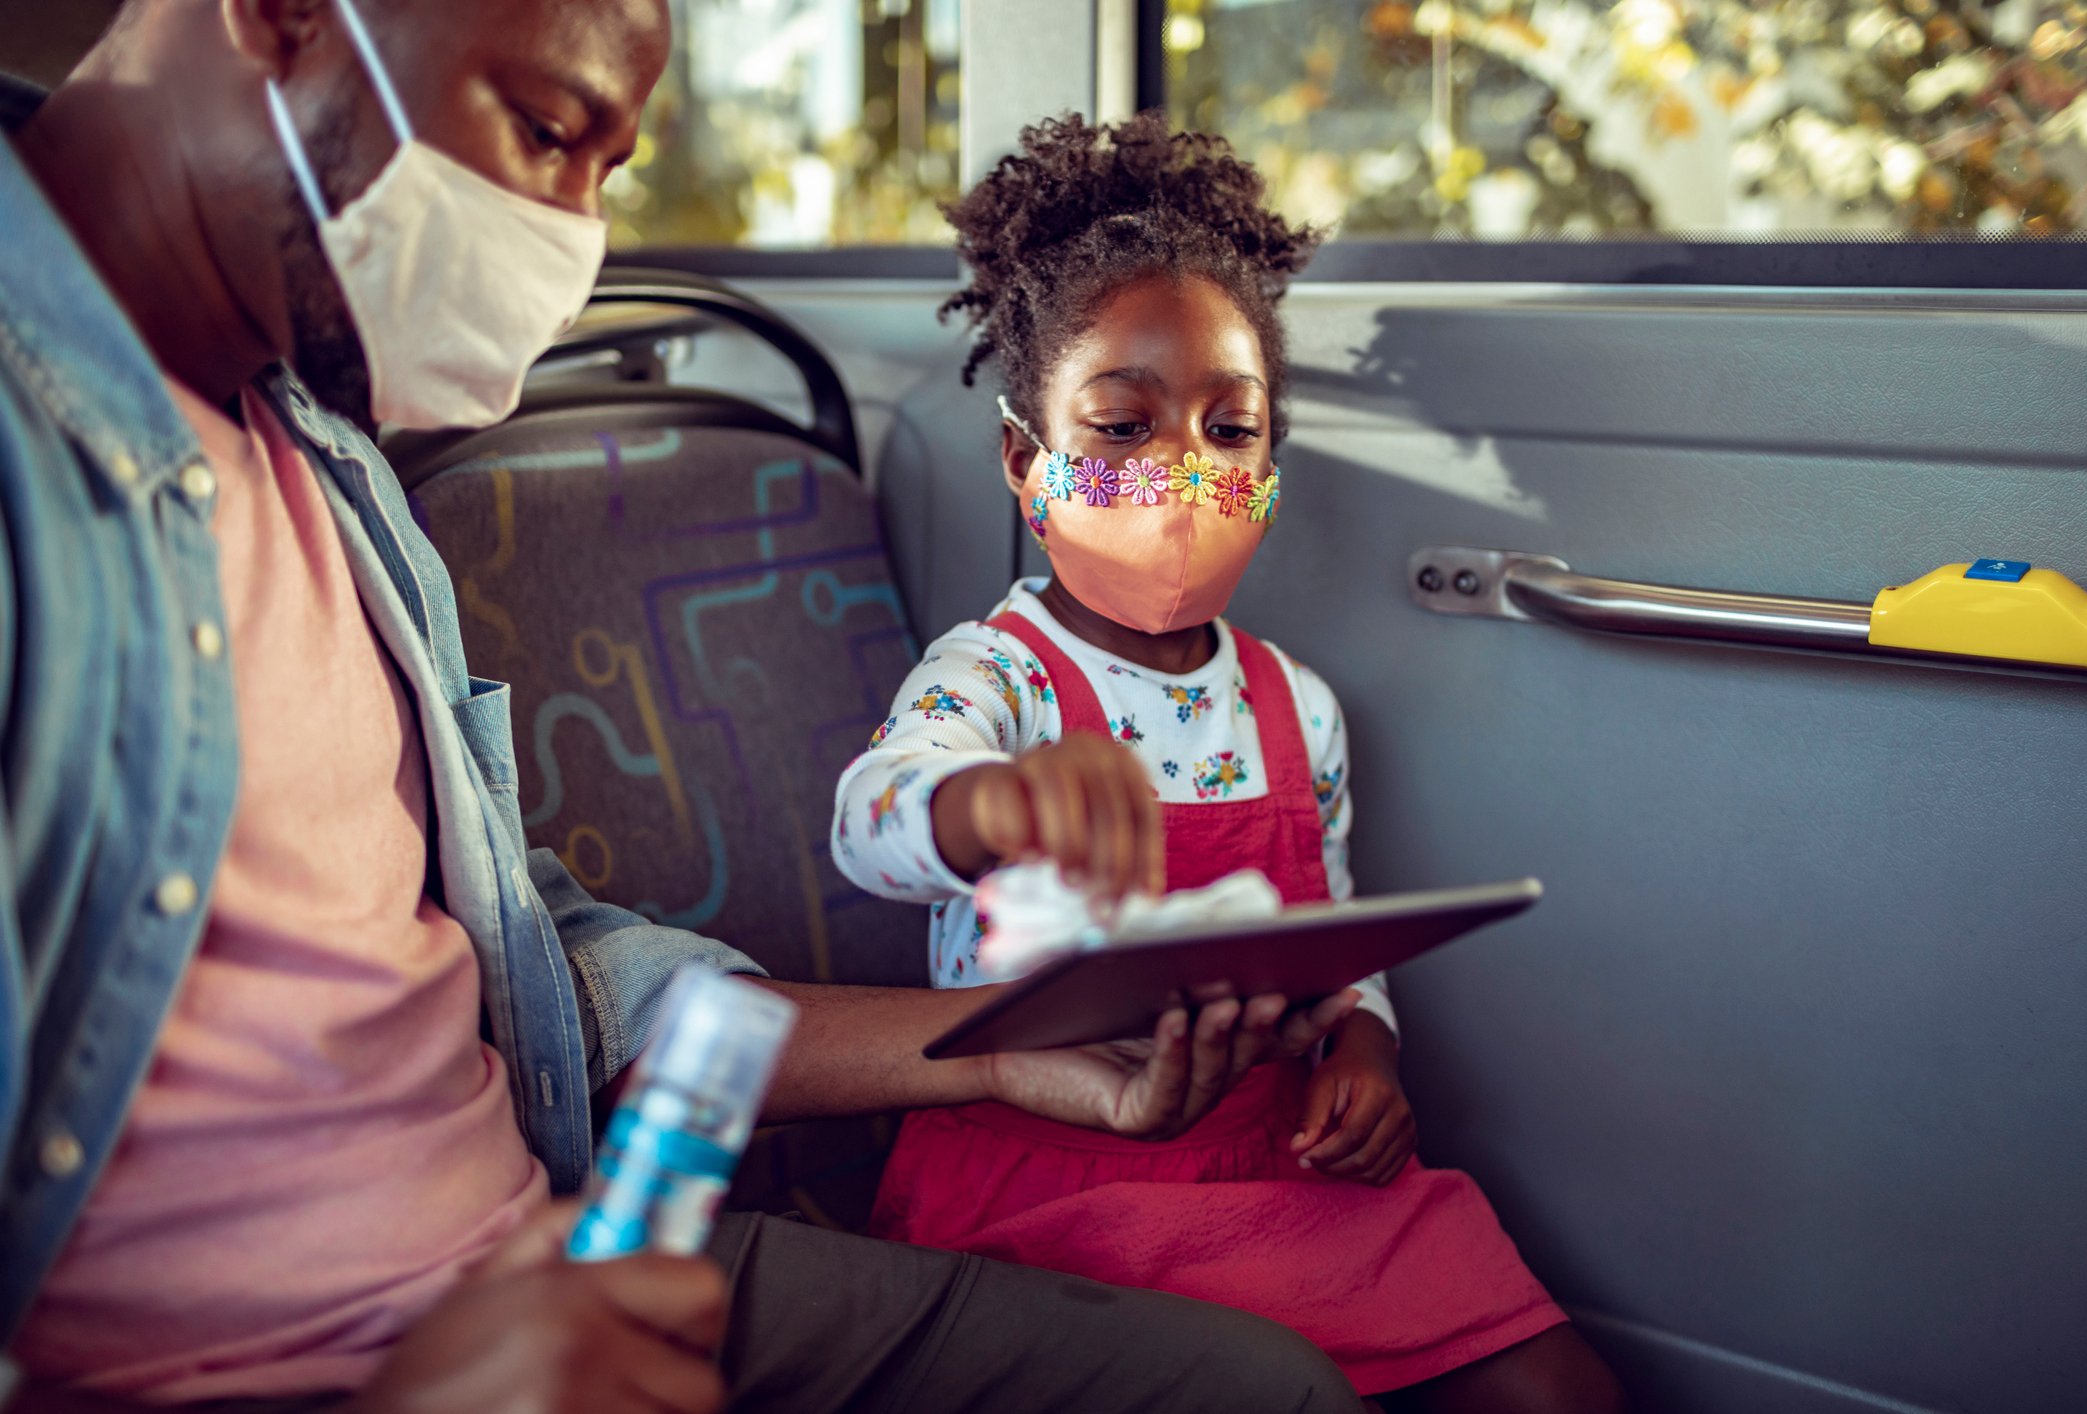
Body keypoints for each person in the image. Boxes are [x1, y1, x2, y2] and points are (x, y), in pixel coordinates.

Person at [0, 3, 1371, 1411]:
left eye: (609, 173)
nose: (569, 243)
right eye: (545, 134)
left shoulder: (327, 469)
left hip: (570, 1256)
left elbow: (534, 970)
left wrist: (998, 1058)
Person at [831, 115, 1628, 1414]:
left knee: (1559, 1388)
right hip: (1056, 1168)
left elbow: (1327, 936)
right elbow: (866, 819)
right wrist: (988, 798)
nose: (1184, 474)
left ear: (1269, 464)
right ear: (1026, 463)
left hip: (1274, 1158)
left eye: (1228, 429)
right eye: (1123, 427)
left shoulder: (1293, 706)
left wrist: (1363, 1047)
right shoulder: (998, 677)